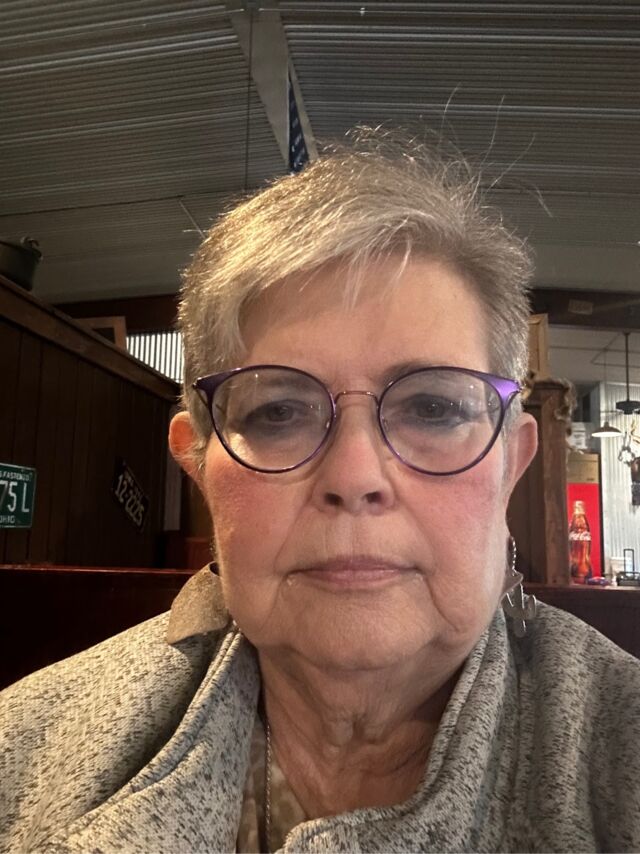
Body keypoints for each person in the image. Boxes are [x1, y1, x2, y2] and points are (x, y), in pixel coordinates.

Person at [2, 129, 639, 854]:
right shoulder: (19, 754)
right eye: (278, 412)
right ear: (199, 463)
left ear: (511, 462)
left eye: (433, 407)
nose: (354, 476)